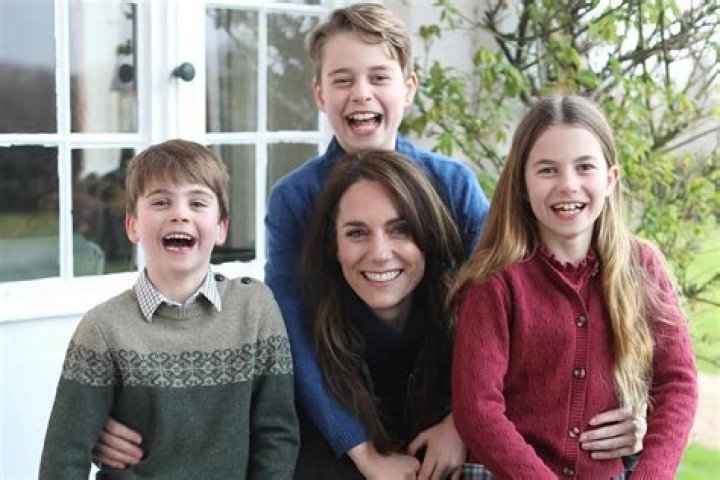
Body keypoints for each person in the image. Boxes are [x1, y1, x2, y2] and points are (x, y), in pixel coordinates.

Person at [90, 4, 648, 477]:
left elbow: (516, 307)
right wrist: (359, 448)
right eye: (342, 80)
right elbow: (288, 334)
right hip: (338, 420)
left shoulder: (452, 185)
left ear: (408, 87)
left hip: (444, 412)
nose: (361, 93)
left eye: (379, 77)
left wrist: (463, 423)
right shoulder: (296, 199)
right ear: (319, 93)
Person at [450, 96, 698, 479]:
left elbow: (677, 384)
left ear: (610, 179)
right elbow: (477, 409)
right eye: (547, 170)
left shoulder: (642, 266)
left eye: (584, 167)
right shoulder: (495, 282)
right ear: (522, 184)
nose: (568, 185)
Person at [39, 139, 299, 479]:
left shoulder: (255, 309)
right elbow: (62, 458)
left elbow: (277, 437)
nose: (180, 214)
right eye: (161, 202)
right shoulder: (103, 329)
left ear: (221, 228)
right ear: (132, 225)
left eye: (197, 202)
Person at [296, 150, 467, 479]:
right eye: (357, 233)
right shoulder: (308, 357)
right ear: (335, 247)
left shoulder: (465, 330)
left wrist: (462, 424)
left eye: (400, 229)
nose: (379, 254)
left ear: (428, 236)